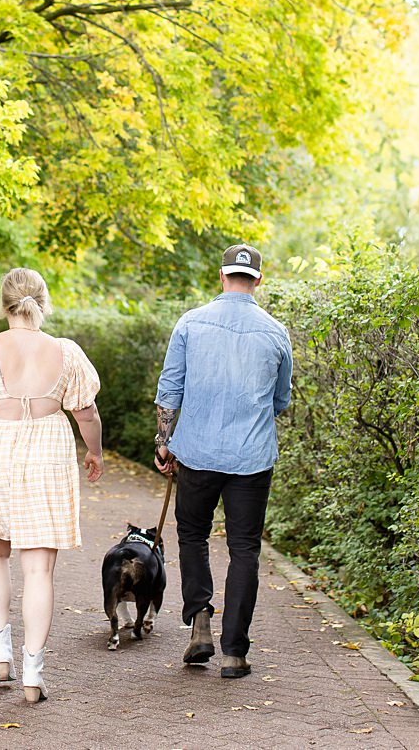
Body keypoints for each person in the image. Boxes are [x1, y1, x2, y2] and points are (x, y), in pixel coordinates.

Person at [0, 268, 104, 703]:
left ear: (5, 303)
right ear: (44, 302)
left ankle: (0, 655)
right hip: (47, 457)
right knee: (39, 570)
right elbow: (85, 413)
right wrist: (95, 452)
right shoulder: (66, 353)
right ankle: (33, 673)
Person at [154, 243, 293, 679]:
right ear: (258, 280)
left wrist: (164, 441)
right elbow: (280, 400)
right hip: (251, 457)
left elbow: (169, 390)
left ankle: (199, 621)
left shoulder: (191, 323)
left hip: (196, 452)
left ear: (221, 276)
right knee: (244, 549)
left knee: (192, 535)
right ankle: (234, 653)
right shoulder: (276, 332)